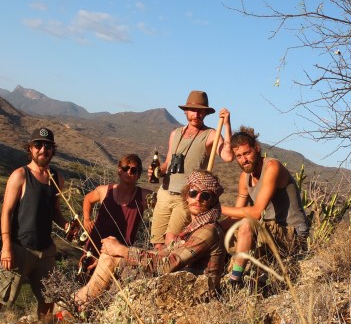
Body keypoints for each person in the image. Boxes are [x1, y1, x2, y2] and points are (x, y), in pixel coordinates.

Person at [65, 170, 227, 312]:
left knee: (115, 259)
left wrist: (123, 250)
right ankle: (76, 306)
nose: (197, 199)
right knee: (111, 258)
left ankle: (72, 308)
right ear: (186, 195)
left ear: (213, 201)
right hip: (182, 286)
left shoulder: (208, 230)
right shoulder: (194, 227)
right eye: (193, 193)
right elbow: (162, 253)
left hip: (195, 297)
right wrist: (119, 253)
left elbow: (167, 264)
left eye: (205, 196)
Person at [0, 127, 75, 324]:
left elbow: (55, 212)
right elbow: (6, 212)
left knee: (48, 298)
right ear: (30, 148)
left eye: (48, 146)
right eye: (38, 145)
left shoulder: (56, 178)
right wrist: (6, 247)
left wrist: (67, 225)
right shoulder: (20, 175)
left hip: (45, 250)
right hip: (19, 248)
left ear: (53, 149)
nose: (43, 149)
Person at [220, 126, 309, 284]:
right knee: (221, 232)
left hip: (291, 233)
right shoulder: (244, 177)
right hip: (267, 232)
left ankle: (235, 279)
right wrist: (214, 225)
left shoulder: (272, 167)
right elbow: (235, 215)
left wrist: (218, 208)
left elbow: (255, 213)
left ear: (257, 148)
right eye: (239, 156)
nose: (244, 159)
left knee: (247, 223)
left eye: (247, 153)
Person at [148, 90, 232, 248]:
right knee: (157, 244)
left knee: (172, 242)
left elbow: (228, 156)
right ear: (186, 111)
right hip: (165, 193)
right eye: (193, 110)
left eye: (201, 111)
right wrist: (158, 171)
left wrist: (227, 125)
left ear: (206, 113)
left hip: (188, 198)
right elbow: (168, 163)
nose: (197, 114)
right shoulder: (175, 134)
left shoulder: (211, 134)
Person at [79, 154, 152, 278]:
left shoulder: (144, 197)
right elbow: (88, 199)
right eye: (125, 168)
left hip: (119, 255)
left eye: (134, 170)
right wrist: (86, 219)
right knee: (84, 282)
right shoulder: (104, 191)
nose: (129, 172)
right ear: (119, 170)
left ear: (139, 175)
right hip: (94, 249)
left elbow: (165, 205)